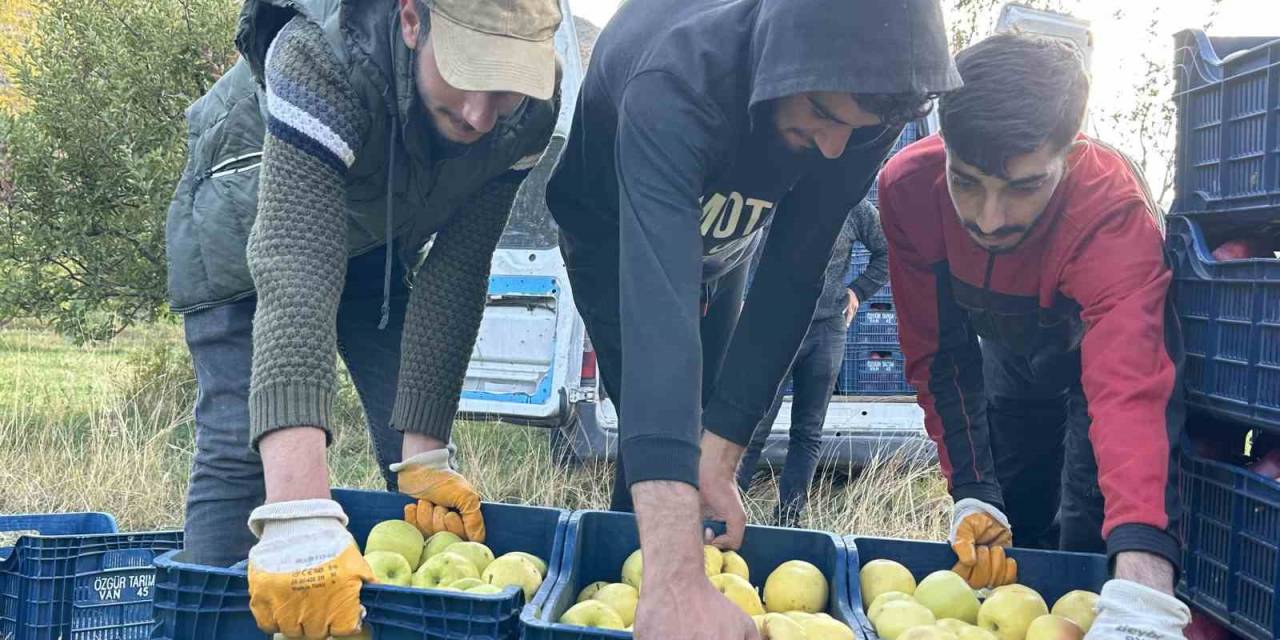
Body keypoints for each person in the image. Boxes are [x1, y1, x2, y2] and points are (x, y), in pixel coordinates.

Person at [544, 0, 959, 637]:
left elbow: (796, 269)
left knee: (709, 424)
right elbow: (659, 313)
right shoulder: (677, 82)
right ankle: (651, 588)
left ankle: (671, 575)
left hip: (725, 240)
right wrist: (675, 569)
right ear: (778, 62)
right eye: (821, 113)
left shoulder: (863, 104)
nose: (833, 147)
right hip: (614, 236)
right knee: (655, 422)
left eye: (856, 127)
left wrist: (723, 453)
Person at [163, 0, 562, 635]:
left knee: (408, 451)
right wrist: (297, 513)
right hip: (245, 223)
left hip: (375, 241)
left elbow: (457, 272)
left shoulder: (529, 115)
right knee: (244, 442)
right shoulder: (319, 55)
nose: (481, 115)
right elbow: (297, 265)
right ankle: (210, 623)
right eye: (469, 71)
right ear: (412, 20)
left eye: (507, 84)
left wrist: (424, 455)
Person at [878, 34, 1189, 639]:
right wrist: (970, 489)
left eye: (1023, 187)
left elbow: (1129, 391)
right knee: (1008, 520)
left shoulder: (1110, 214)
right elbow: (938, 354)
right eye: (965, 181)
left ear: (1069, 153)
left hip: (1089, 363)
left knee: (1091, 526)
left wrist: (1145, 579)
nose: (988, 219)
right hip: (1009, 357)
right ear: (943, 146)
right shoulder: (908, 189)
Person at [736, 198, 888, 527]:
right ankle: (724, 512)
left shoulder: (852, 204)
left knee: (807, 431)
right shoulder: (774, 190)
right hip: (773, 327)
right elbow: (736, 244)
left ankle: (789, 520)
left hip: (826, 330)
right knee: (751, 426)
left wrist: (858, 291)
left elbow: (888, 250)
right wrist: (740, 294)